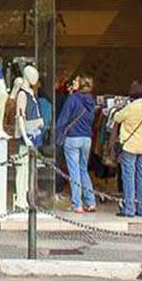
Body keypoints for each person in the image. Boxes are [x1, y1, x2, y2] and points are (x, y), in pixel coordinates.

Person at [113, 81, 142, 218]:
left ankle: (129, 208)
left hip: (129, 146)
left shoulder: (131, 107)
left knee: (128, 177)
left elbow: (117, 117)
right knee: (141, 176)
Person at [55, 76, 97, 214]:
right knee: (83, 169)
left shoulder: (73, 99)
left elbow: (64, 118)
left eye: (75, 82)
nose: (73, 83)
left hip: (73, 138)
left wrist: (58, 131)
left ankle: (77, 204)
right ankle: (90, 202)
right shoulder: (91, 100)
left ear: (80, 85)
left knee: (74, 171)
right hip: (87, 138)